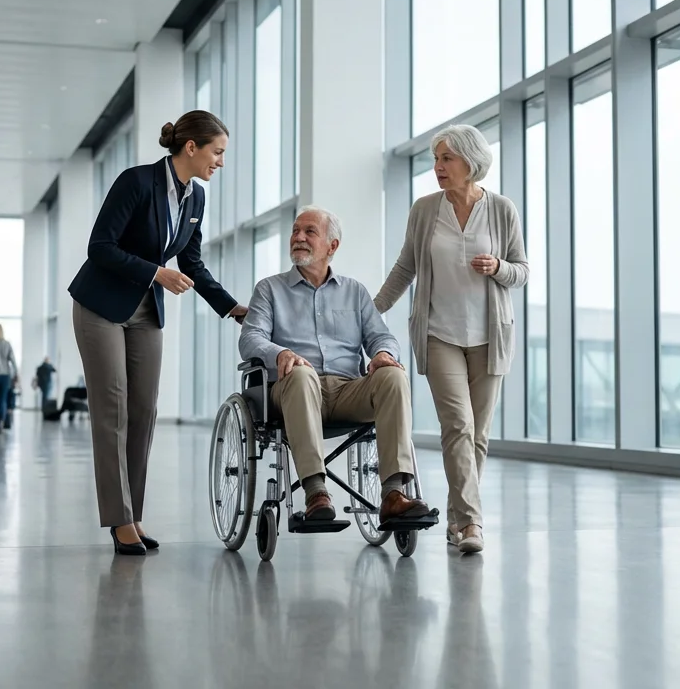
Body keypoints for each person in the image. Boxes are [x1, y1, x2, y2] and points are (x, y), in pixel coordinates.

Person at [67, 110, 248, 555]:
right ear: (192, 147)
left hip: (146, 311)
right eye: (217, 152)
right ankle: (119, 520)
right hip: (101, 305)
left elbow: (192, 264)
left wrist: (231, 307)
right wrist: (155, 273)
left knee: (144, 412)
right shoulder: (135, 182)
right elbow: (100, 247)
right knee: (113, 410)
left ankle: (134, 513)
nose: (220, 162)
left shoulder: (196, 199)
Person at [374, 124, 528, 555]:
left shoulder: (501, 209)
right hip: (439, 333)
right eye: (436, 159)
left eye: (447, 159)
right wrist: (370, 310)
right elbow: (406, 268)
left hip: (489, 336)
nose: (438, 167)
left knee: (478, 435)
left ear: (470, 162)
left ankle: (457, 517)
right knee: (457, 426)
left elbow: (522, 270)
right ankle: (472, 524)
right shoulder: (425, 210)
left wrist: (498, 266)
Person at [239, 206, 434, 527]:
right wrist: (279, 353)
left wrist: (383, 353)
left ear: (332, 246)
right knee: (302, 375)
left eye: (309, 231)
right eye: (295, 231)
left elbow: (381, 336)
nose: (298, 237)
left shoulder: (355, 292)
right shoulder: (269, 289)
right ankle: (316, 492)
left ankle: (394, 494)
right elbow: (250, 338)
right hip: (292, 389)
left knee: (393, 376)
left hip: (346, 390)